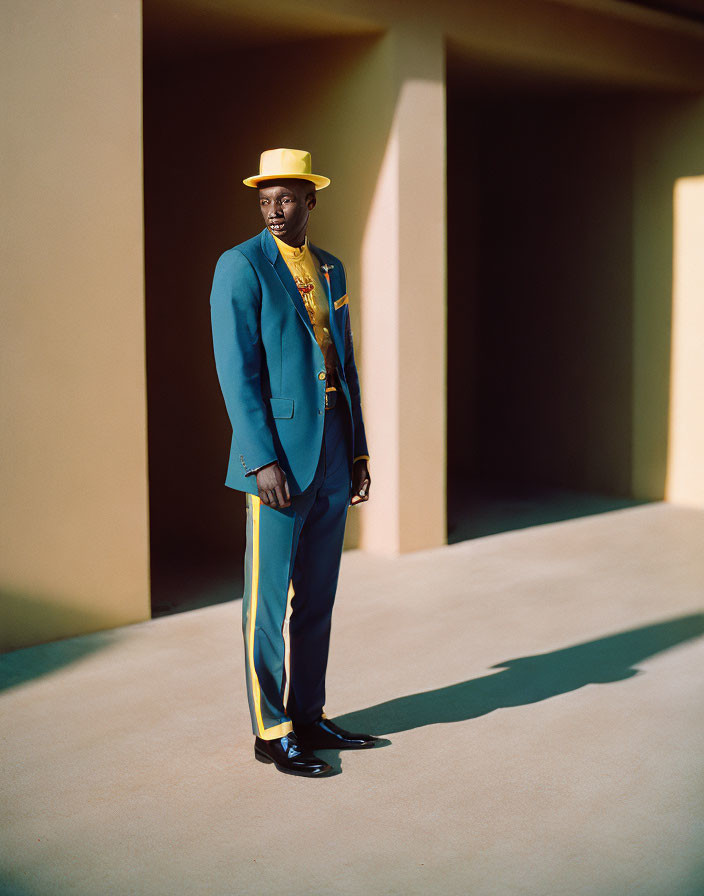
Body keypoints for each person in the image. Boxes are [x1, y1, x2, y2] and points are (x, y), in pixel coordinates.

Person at [209, 148, 377, 777]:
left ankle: (309, 714)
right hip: (276, 457)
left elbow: (344, 364)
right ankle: (271, 728)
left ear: (311, 200)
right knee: (266, 598)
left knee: (319, 595)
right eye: (263, 201)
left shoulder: (330, 267)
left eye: (285, 199)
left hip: (333, 447)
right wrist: (260, 460)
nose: (273, 212)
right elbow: (237, 372)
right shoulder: (241, 265)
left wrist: (357, 450)